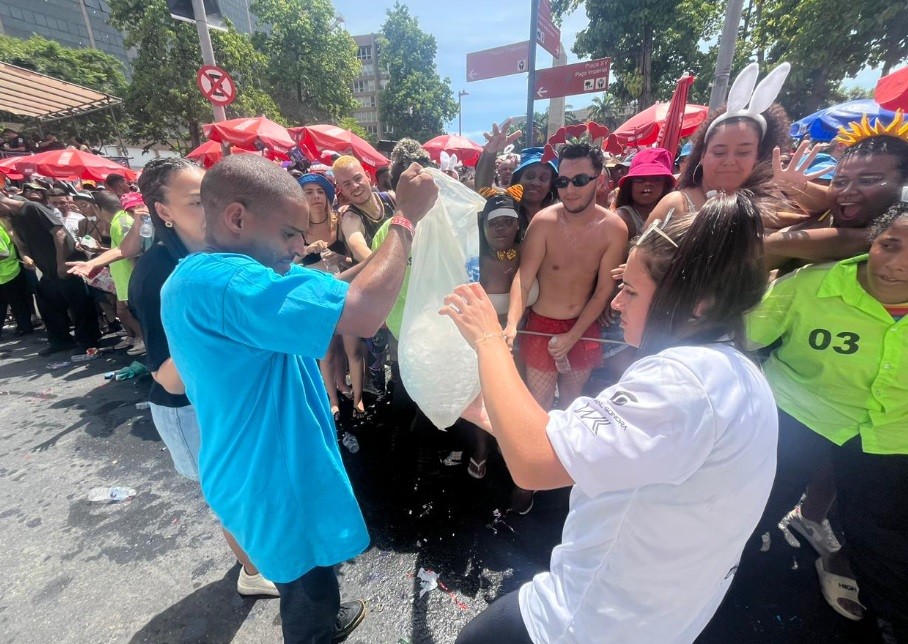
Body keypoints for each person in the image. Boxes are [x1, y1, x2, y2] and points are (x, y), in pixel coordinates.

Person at [446, 192, 777, 644]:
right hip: (660, 617)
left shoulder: (683, 382)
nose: (617, 304)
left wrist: (487, 336)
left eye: (633, 291)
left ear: (698, 303)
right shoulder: (735, 370)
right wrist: (490, 416)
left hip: (588, 621)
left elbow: (533, 462)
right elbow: (604, 449)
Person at [161, 154, 438, 643]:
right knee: (306, 597)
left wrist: (372, 259)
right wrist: (404, 219)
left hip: (259, 467)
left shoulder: (200, 276)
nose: (300, 244)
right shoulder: (232, 283)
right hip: (274, 477)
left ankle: (325, 614)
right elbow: (365, 313)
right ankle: (318, 629)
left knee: (312, 575)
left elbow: (327, 290)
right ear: (237, 217)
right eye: (289, 232)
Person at [746, 201, 908, 636]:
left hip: (891, 436)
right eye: (889, 244)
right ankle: (730, 569)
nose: (897, 264)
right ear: (870, 241)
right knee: (758, 502)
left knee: (881, 537)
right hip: (797, 416)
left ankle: (886, 614)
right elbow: (744, 335)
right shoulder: (809, 287)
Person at [129, 157, 280, 599]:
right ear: (164, 212)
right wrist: (217, 329)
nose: (212, 212)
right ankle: (252, 572)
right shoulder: (157, 273)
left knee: (252, 490)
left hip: (228, 399)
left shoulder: (217, 254)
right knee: (230, 497)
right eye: (197, 202)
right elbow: (169, 378)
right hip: (190, 409)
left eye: (213, 199)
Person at [764, 111, 908, 267]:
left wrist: (763, 244)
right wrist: (795, 186)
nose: (846, 191)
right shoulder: (832, 211)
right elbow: (822, 197)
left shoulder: (896, 233)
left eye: (868, 181)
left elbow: (852, 240)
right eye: (840, 182)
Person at [469, 185, 537, 480]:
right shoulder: (474, 260)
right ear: (482, 225)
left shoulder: (530, 253)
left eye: (507, 220)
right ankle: (481, 450)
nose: (500, 227)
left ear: (518, 223)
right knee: (486, 399)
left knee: (522, 398)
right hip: (488, 342)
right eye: (493, 221)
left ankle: (513, 449)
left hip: (530, 338)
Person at [334, 155, 397, 412]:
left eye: (357, 178)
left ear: (368, 176)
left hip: (402, 283)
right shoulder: (349, 216)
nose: (355, 186)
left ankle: (402, 391)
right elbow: (358, 245)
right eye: (346, 184)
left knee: (402, 345)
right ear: (341, 189)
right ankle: (381, 400)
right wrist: (391, 263)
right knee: (377, 350)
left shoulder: (390, 198)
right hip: (374, 292)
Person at [0, 192, 100, 354]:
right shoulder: (14, 217)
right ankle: (60, 340)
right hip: (47, 269)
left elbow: (59, 232)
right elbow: (21, 243)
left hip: (66, 264)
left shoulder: (32, 208)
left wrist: (61, 263)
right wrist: (26, 257)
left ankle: (88, 340)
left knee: (78, 302)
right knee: (47, 302)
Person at [297, 172, 351, 422]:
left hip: (339, 291)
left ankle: (341, 382)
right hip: (312, 296)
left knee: (340, 345)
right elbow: (284, 262)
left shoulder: (339, 222)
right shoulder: (296, 227)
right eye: (309, 192)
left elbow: (352, 260)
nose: (316, 197)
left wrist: (339, 258)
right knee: (326, 351)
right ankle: (331, 399)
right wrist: (306, 250)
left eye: (320, 191)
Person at [476, 119, 558, 231]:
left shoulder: (559, 214)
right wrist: (490, 152)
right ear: (518, 178)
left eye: (543, 178)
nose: (535, 182)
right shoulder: (506, 202)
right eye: (529, 176)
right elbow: (483, 188)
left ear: (550, 185)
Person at [101, 191, 145, 355]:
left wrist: (138, 280)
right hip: (124, 278)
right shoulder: (120, 222)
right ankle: (138, 338)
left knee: (128, 312)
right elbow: (123, 249)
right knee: (124, 312)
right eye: (130, 210)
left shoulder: (123, 223)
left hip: (130, 278)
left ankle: (143, 339)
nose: (132, 213)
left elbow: (132, 252)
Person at [613, 147, 676, 240]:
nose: (648, 183)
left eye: (655, 178)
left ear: (665, 184)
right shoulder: (621, 219)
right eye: (640, 178)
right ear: (630, 184)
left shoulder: (674, 217)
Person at [0, 215, 34, 338]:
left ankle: (25, 328)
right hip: (5, 273)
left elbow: (3, 253)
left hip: (9, 271)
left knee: (17, 303)